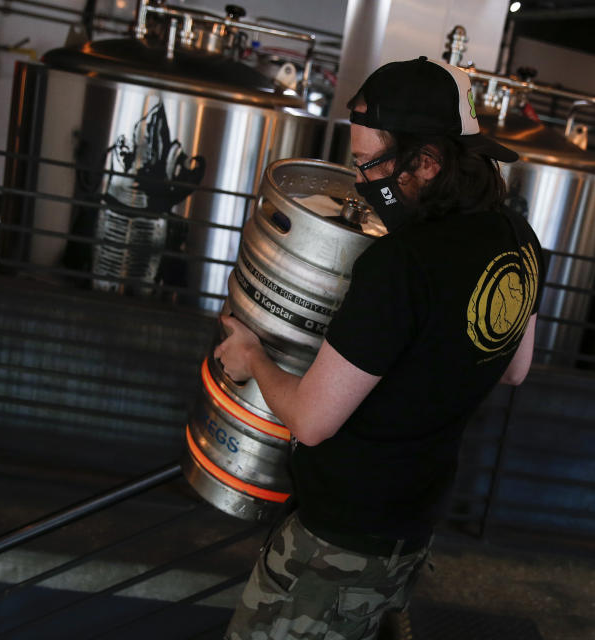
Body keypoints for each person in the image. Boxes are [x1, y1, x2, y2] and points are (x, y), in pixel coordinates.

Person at [216, 56, 544, 640]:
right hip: (411, 530)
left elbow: (314, 423)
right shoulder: (518, 239)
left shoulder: (400, 266)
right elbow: (515, 367)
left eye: (368, 163)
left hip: (338, 544)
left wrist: (253, 359)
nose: (361, 180)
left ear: (427, 161)